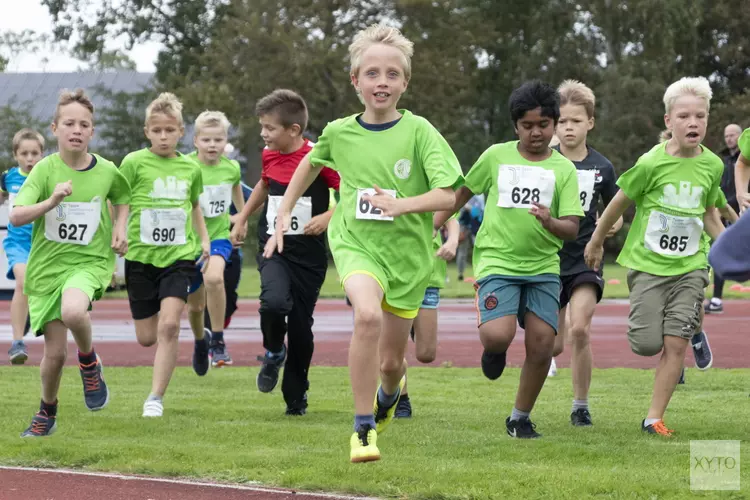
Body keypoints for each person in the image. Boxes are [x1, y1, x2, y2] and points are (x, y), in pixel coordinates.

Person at [267, 25, 463, 462]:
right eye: (372, 73)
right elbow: (310, 163)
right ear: (356, 80)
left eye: (392, 74)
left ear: (404, 83)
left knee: (391, 364)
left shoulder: (420, 132)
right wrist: (285, 210)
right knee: (367, 316)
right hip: (357, 245)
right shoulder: (339, 132)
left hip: (408, 259)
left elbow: (448, 194)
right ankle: (362, 427)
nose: (382, 82)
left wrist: (402, 205)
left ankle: (390, 393)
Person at [585, 77, 736, 437]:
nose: (693, 123)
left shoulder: (713, 165)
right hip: (648, 266)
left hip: (691, 266)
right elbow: (619, 201)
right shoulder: (651, 163)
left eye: (700, 116)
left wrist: (731, 249)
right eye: (684, 116)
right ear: (668, 121)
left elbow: (709, 213)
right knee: (646, 344)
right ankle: (693, 327)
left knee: (674, 343)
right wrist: (595, 241)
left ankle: (654, 419)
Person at [436, 80, 583, 439]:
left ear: (554, 125)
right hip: (498, 263)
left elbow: (573, 228)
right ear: (515, 126)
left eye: (543, 125)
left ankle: (520, 417)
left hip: (543, 267)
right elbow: (462, 193)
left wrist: (550, 220)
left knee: (543, 344)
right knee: (497, 336)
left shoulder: (563, 170)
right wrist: (433, 224)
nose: (536, 133)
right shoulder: (496, 156)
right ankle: (494, 351)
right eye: (527, 125)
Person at [14, 89, 130, 436]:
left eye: (84, 124)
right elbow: (17, 215)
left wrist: (120, 228)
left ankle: (90, 360)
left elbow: (123, 197)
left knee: (74, 312)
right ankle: (47, 410)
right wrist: (51, 201)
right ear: (55, 129)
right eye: (69, 123)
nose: (76, 129)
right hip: (48, 268)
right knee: (53, 355)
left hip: (90, 261)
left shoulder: (107, 170)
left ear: (92, 132)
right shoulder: (44, 170)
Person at [231, 89, 340, 416]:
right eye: (262, 126)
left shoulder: (320, 158)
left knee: (302, 328)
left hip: (308, 256)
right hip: (273, 246)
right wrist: (243, 217)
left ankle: (296, 396)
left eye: (269, 128)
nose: (263, 134)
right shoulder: (269, 155)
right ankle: (274, 351)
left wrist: (327, 216)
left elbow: (349, 192)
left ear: (293, 130)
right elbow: (265, 185)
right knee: (274, 303)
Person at [120, 92, 210, 418]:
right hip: (141, 258)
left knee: (170, 326)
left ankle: (155, 398)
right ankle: (180, 340)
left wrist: (204, 239)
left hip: (179, 257)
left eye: (169, 130)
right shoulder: (132, 163)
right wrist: (118, 230)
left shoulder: (190, 168)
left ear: (180, 132)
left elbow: (195, 205)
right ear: (147, 131)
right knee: (147, 338)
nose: (163, 136)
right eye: (157, 130)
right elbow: (118, 199)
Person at [548, 80, 622, 426]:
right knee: (552, 345)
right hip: (546, 260)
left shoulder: (601, 167)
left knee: (580, 330)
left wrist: (606, 227)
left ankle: (580, 406)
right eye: (562, 121)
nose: (568, 127)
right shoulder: (542, 162)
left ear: (589, 123)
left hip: (585, 259)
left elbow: (617, 213)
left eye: (575, 121)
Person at [188, 111, 245, 368]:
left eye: (218, 140)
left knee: (214, 278)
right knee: (196, 304)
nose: (213, 145)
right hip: (189, 241)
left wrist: (240, 221)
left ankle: (218, 341)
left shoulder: (232, 167)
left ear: (226, 142)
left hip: (219, 237)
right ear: (196, 141)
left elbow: (237, 196)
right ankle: (202, 340)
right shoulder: (186, 167)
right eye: (207, 140)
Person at [394, 215, 460, 418]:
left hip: (428, 277)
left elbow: (451, 217)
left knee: (426, 354)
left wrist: (452, 240)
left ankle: (414, 326)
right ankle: (400, 399)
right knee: (392, 355)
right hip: (395, 276)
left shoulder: (432, 189)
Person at [3, 128, 44, 364]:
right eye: (24, 154)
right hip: (17, 242)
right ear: (16, 155)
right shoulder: (8, 178)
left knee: (35, 287)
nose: (30, 159)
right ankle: (17, 342)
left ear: (42, 154)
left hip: (43, 243)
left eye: (35, 153)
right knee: (23, 281)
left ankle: (27, 315)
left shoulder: (48, 176)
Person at [705, 123, 744, 314]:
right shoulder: (723, 160)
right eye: (726, 135)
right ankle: (716, 299)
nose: (729, 138)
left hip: (743, 212)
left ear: (740, 135)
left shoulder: (745, 158)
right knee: (719, 252)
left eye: (732, 135)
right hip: (725, 212)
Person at [456, 195, 483, 282]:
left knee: (478, 249)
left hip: (476, 224)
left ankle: (480, 272)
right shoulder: (466, 188)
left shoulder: (480, 195)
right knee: (462, 251)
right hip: (464, 224)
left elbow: (482, 209)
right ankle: (460, 273)